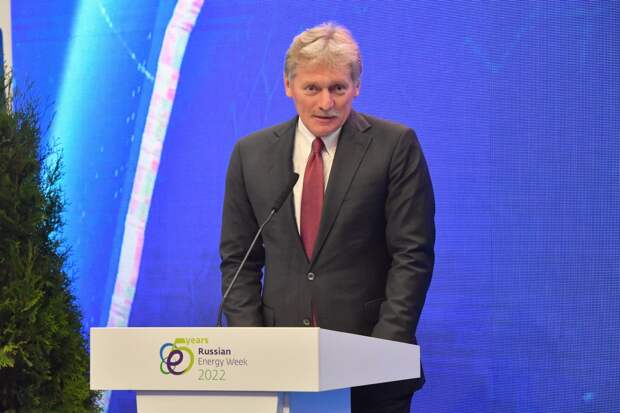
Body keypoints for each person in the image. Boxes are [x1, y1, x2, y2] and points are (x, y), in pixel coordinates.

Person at [220, 22, 435, 413]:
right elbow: (239, 260)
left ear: (357, 86)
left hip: (371, 364)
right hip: (278, 366)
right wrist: (250, 349)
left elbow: (412, 255)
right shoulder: (250, 154)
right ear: (288, 85)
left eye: (338, 88)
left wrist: (382, 351)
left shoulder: (394, 146)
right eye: (312, 88)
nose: (326, 103)